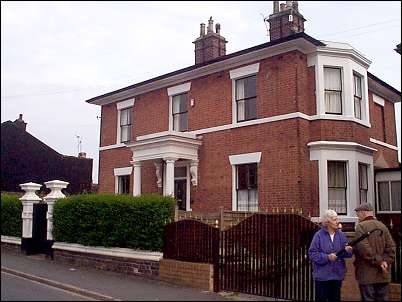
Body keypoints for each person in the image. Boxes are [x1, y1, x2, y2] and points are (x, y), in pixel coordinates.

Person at [353, 202, 396, 301]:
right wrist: (385, 261)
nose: (357, 216)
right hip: (383, 274)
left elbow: (363, 248)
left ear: (363, 213)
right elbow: (392, 247)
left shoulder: (361, 227)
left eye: (358, 213)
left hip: (366, 274)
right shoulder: (383, 226)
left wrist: (379, 261)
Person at [309, 209, 353, 302]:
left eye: (337, 219)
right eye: (334, 220)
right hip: (322, 277)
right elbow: (312, 254)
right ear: (327, 222)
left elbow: (346, 254)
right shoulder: (318, 236)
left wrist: (348, 251)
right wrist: (327, 257)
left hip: (337, 276)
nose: (337, 222)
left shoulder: (341, 235)